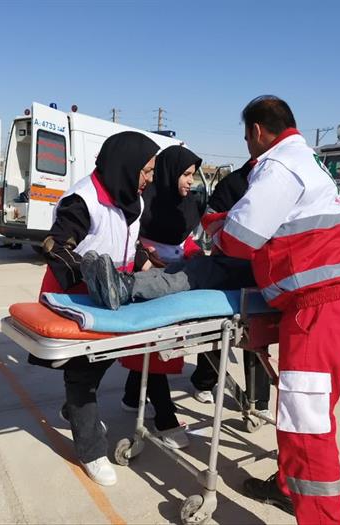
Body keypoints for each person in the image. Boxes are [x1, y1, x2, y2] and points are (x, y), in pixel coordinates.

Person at [84, 96, 340, 523]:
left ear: (256, 131)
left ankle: (324, 517)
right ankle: (287, 487)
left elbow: (239, 239)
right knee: (306, 418)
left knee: (306, 427)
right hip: (329, 301)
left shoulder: (279, 166)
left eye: (246, 137)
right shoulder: (310, 163)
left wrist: (217, 226)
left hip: (313, 308)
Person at [33, 131, 159, 487]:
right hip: (78, 296)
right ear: (126, 166)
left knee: (104, 358)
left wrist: (144, 262)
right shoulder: (83, 200)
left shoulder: (132, 198)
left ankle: (73, 410)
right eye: (147, 170)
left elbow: (127, 241)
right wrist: (90, 275)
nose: (150, 178)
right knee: (82, 373)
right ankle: (90, 449)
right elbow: (55, 246)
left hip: (113, 297)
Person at [120, 145, 204, 450]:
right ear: (170, 172)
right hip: (148, 285)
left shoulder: (188, 205)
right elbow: (129, 240)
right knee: (154, 350)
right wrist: (146, 259)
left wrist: (195, 257)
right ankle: (165, 419)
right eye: (186, 174)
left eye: (193, 175)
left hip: (175, 284)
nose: (190, 181)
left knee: (154, 352)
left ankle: (132, 396)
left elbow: (186, 241)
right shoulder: (143, 202)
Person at [189, 159, 273, 420]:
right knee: (218, 329)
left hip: (258, 268)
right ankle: (205, 381)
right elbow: (210, 221)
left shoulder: (272, 184)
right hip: (229, 264)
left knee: (255, 334)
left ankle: (258, 399)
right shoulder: (233, 184)